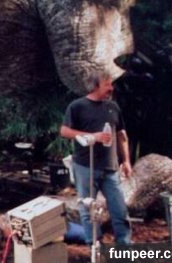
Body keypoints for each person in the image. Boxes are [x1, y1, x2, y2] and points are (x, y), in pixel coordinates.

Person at [60, 72, 132, 245]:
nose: (111, 88)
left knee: (120, 210)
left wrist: (126, 161)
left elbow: (121, 135)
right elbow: (64, 131)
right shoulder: (77, 106)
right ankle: (95, 247)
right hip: (86, 166)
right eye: (107, 84)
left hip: (110, 167)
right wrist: (92, 136)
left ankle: (124, 248)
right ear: (95, 86)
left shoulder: (113, 107)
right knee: (87, 210)